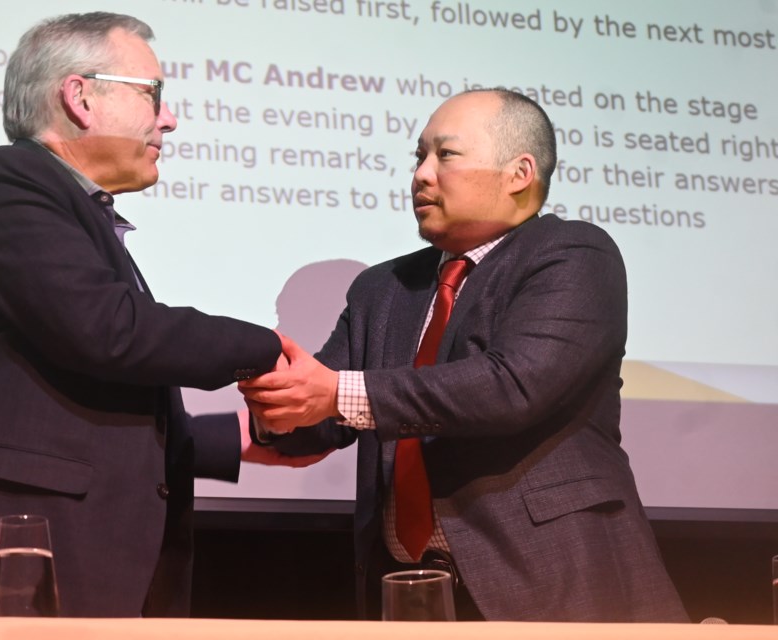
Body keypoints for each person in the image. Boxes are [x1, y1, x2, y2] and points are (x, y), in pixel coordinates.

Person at [0, 11, 317, 631]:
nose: (170, 119)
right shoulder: (5, 178)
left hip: (67, 572)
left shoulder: (72, 210)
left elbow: (54, 407)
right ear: (79, 97)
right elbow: (110, 330)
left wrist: (230, 439)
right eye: (154, 94)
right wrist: (270, 350)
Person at [239, 89, 689, 622]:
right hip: (407, 593)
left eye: (445, 156)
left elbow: (512, 387)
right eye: (418, 157)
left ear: (519, 172)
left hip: (554, 585)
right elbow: (322, 421)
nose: (421, 175)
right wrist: (276, 401)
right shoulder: (381, 288)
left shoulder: (573, 254)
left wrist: (335, 393)